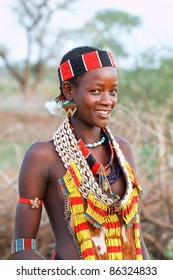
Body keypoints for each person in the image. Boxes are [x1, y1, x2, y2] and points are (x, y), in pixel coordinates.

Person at [11, 46, 149, 260]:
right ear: (68, 90)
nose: (107, 100)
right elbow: (22, 246)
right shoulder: (43, 156)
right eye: (95, 91)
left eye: (112, 91)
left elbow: (135, 235)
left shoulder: (122, 150)